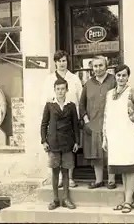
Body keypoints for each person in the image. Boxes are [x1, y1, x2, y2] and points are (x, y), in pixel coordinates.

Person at [102, 64, 134, 213]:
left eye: (124, 75)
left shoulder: (132, 92)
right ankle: (126, 200)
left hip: (128, 134)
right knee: (122, 168)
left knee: (130, 168)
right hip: (114, 136)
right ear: (115, 76)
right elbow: (106, 116)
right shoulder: (109, 94)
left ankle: (128, 201)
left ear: (128, 77)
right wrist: (105, 138)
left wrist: (132, 118)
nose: (121, 78)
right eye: (118, 75)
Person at [42, 50, 83, 188]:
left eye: (64, 60)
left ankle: (70, 177)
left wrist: (80, 116)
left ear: (67, 62)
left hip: (71, 116)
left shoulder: (74, 78)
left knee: (69, 148)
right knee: (56, 149)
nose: (62, 63)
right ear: (55, 62)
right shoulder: (49, 79)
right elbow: (45, 100)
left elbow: (80, 98)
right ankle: (60, 178)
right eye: (59, 61)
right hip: (56, 116)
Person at [40, 78, 80, 210]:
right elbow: (44, 124)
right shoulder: (50, 105)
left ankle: (66, 199)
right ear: (54, 90)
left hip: (68, 143)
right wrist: (44, 141)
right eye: (58, 89)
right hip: (53, 143)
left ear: (67, 90)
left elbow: (75, 124)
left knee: (66, 172)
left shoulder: (71, 105)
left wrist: (76, 141)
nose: (60, 91)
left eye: (63, 89)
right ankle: (55, 199)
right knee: (55, 172)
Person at [79, 55, 117, 189]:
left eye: (101, 65)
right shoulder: (88, 84)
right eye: (95, 66)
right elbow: (81, 104)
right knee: (96, 155)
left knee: (110, 153)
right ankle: (98, 180)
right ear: (92, 68)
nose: (98, 68)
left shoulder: (113, 80)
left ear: (106, 66)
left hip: (110, 123)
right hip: (93, 124)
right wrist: (86, 121)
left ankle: (111, 180)